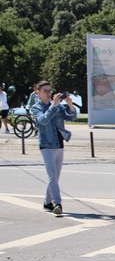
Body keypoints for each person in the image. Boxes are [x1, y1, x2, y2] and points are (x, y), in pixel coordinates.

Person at [31, 81, 77, 215]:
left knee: (55, 176)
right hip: (46, 145)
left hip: (59, 143)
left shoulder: (57, 105)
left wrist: (69, 103)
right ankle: (57, 203)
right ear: (38, 92)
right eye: (45, 91)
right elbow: (43, 121)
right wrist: (54, 105)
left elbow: (72, 117)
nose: (48, 93)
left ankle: (47, 202)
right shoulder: (36, 107)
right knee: (52, 175)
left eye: (50, 90)